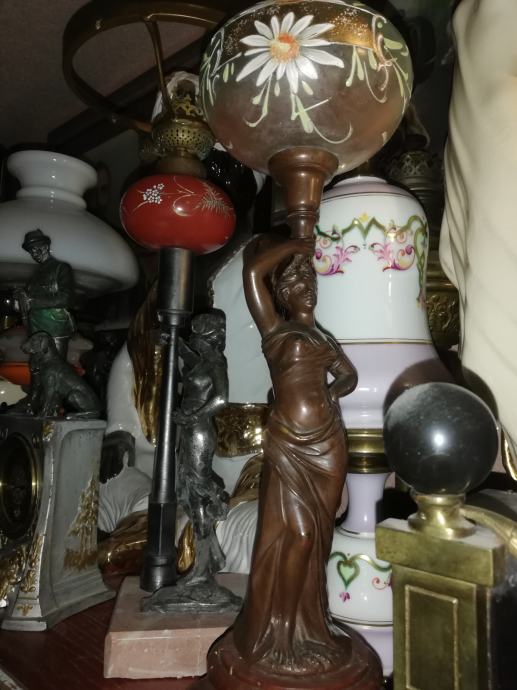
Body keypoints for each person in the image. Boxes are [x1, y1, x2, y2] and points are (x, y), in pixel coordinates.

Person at [232, 235, 358, 673]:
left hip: (329, 443)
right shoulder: (275, 330)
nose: (306, 287)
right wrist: (295, 246)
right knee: (298, 535)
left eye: (310, 280)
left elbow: (348, 375)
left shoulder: (323, 337)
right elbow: (252, 273)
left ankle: (311, 628)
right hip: (290, 444)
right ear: (282, 294)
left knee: (318, 539)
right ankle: (278, 634)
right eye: (296, 282)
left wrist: (332, 393)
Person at [15, 229, 75, 359]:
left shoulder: (61, 268)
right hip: (35, 332)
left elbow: (66, 298)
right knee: (37, 367)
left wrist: (32, 302)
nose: (34, 253)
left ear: (46, 246)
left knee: (55, 367)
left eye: (37, 249)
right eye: (31, 251)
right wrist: (20, 296)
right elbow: (28, 298)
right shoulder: (35, 275)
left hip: (55, 330)